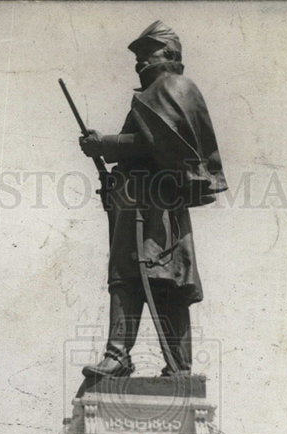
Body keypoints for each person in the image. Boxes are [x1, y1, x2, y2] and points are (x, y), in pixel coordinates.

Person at [79, 21, 227, 378]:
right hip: (135, 204)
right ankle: (118, 357)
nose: (140, 63)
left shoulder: (176, 87)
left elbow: (162, 144)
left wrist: (106, 145)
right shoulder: (150, 97)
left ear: (171, 55)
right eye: (138, 57)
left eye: (147, 54)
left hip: (159, 208)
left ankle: (177, 367)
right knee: (127, 275)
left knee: (166, 279)